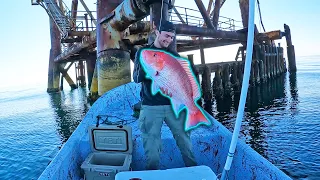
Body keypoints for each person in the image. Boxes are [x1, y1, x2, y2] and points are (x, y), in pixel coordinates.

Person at [133, 20, 198, 170]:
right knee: (152, 147)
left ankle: (194, 171)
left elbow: (187, 78)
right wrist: (149, 66)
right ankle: (152, 173)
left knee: (185, 142)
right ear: (157, 32)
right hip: (150, 106)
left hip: (173, 105)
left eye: (171, 37)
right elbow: (136, 78)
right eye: (166, 35)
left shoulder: (174, 55)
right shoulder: (143, 53)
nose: (168, 40)